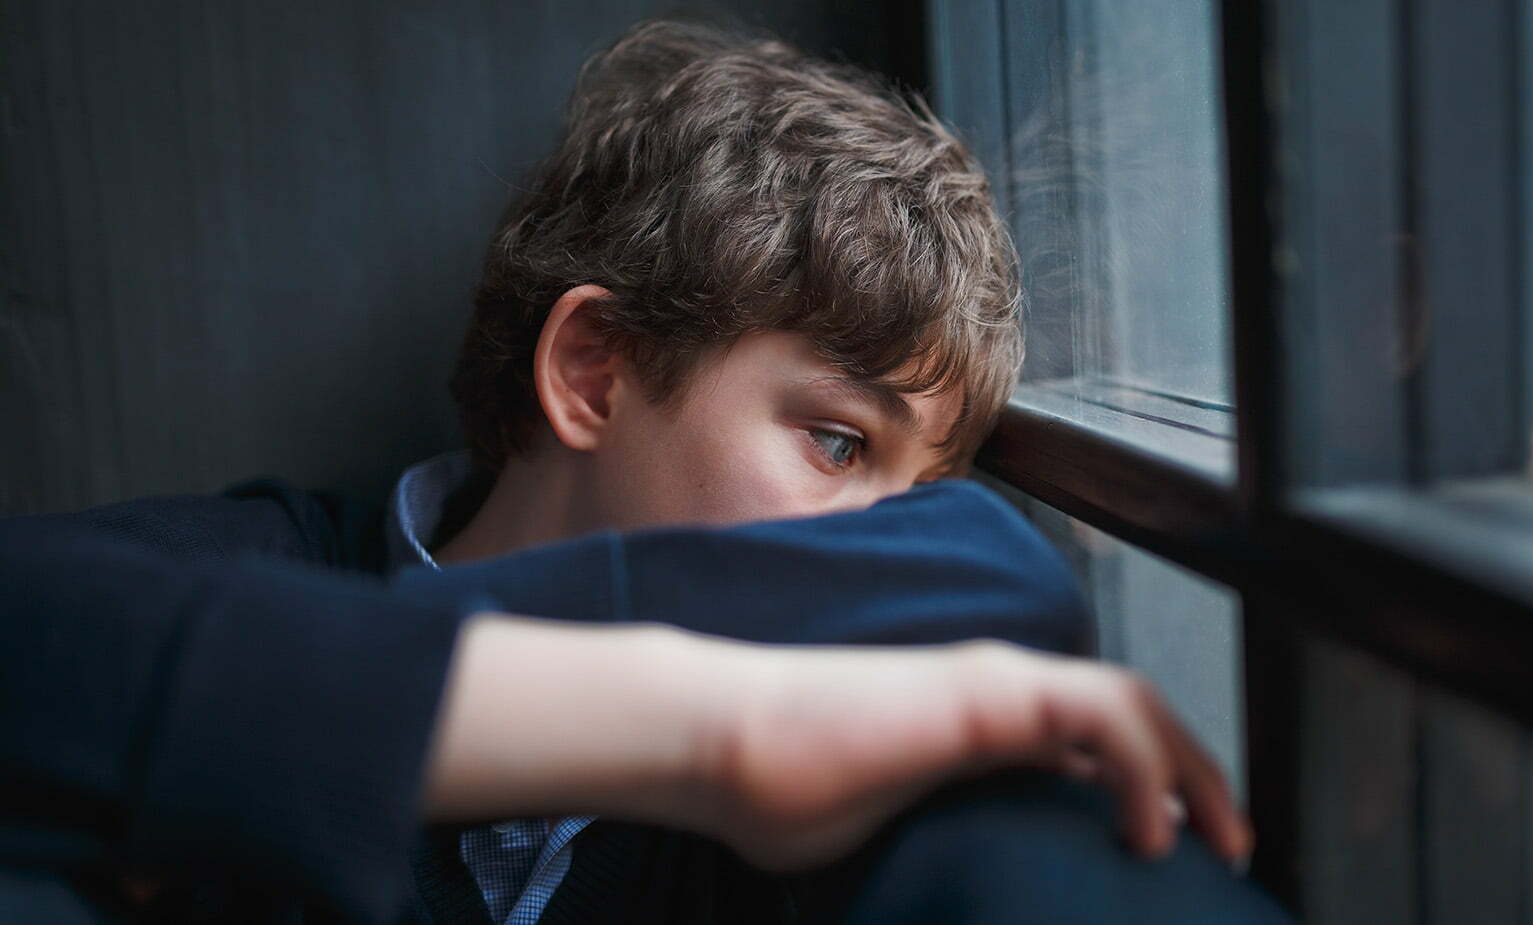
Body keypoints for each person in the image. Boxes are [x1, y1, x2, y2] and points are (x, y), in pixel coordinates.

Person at [0, 18, 1287, 924]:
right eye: (836, 442)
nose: (876, 536)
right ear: (595, 371)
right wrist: (690, 726)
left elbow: (981, 577)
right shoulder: (259, 575)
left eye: (918, 483)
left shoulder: (850, 718)